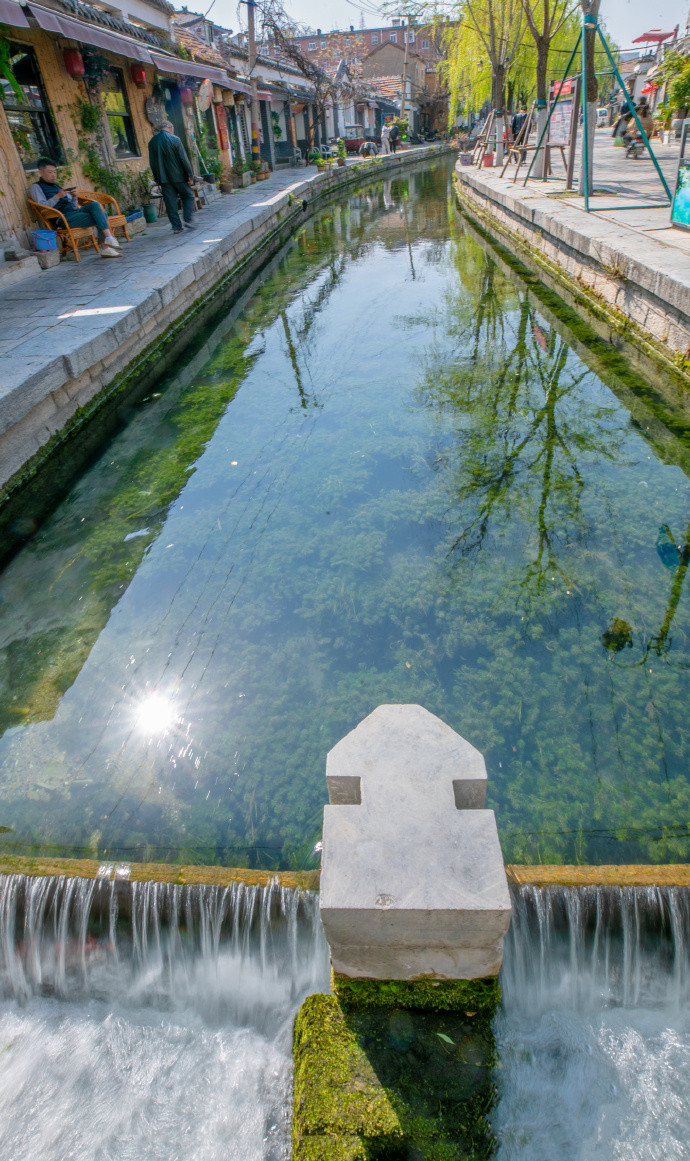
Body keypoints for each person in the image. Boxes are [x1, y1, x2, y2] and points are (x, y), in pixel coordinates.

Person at [28, 159, 122, 258]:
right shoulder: (36, 187)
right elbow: (43, 207)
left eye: (55, 172)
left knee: (95, 205)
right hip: (62, 218)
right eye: (50, 172)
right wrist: (57, 197)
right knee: (102, 215)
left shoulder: (57, 186)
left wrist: (74, 197)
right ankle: (106, 246)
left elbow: (72, 206)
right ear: (41, 172)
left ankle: (108, 239)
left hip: (74, 213)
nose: (53, 175)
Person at [148, 120, 196, 234]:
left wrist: (157, 178)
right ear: (170, 128)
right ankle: (188, 219)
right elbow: (183, 159)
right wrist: (189, 174)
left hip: (164, 179)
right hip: (178, 176)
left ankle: (176, 227)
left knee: (170, 203)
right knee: (188, 196)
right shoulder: (175, 139)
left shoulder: (152, 142)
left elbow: (152, 162)